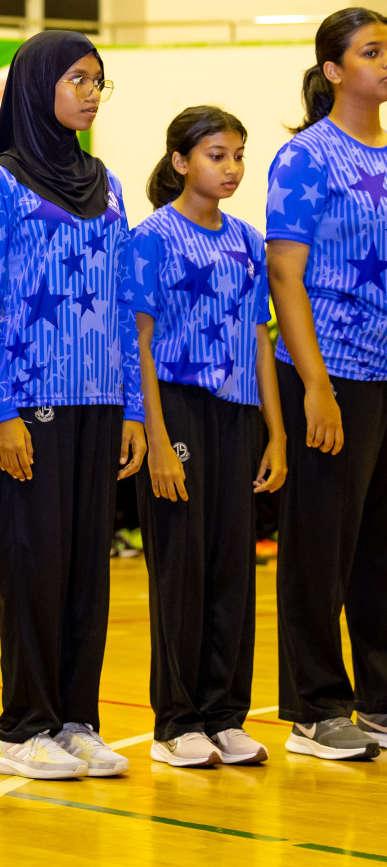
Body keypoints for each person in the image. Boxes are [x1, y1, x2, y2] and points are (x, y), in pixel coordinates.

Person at [0, 30, 146, 780]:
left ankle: (75, 718)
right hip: (33, 402)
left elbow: (127, 297)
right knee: (36, 565)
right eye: (76, 78)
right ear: (37, 84)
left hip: (100, 399)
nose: (90, 92)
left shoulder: (106, 181)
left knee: (85, 567)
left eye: (99, 81)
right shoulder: (2, 182)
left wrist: (134, 406)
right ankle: (21, 728)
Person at [128, 105, 285, 768]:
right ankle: (177, 721)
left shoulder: (250, 241)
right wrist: (157, 439)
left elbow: (257, 340)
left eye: (239, 155)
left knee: (230, 568)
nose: (231, 168)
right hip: (178, 409)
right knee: (182, 567)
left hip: (237, 415)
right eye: (217, 155)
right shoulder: (151, 239)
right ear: (180, 161)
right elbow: (136, 341)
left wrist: (275, 433)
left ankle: (225, 714)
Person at [266, 5, 387, 760]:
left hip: (386, 370)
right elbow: (285, 273)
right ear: (335, 71)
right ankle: (316, 705)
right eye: (373, 51)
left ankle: (378, 697)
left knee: (380, 545)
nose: (386, 62)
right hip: (332, 370)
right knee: (321, 544)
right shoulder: (308, 158)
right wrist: (314, 384)